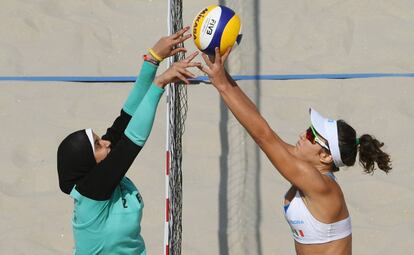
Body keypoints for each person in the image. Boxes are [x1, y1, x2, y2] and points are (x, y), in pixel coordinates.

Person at [199, 48, 392, 255]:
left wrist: (221, 85)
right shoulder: (313, 171)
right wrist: (221, 75)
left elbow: (263, 136)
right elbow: (265, 129)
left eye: (311, 136)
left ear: (325, 156)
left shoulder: (318, 183)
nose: (302, 134)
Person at [57, 26, 200, 255]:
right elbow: (132, 141)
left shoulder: (100, 171)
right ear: (87, 165)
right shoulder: (91, 191)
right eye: (97, 145)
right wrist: (160, 84)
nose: (106, 142)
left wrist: (153, 59)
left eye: (99, 139)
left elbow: (126, 118)